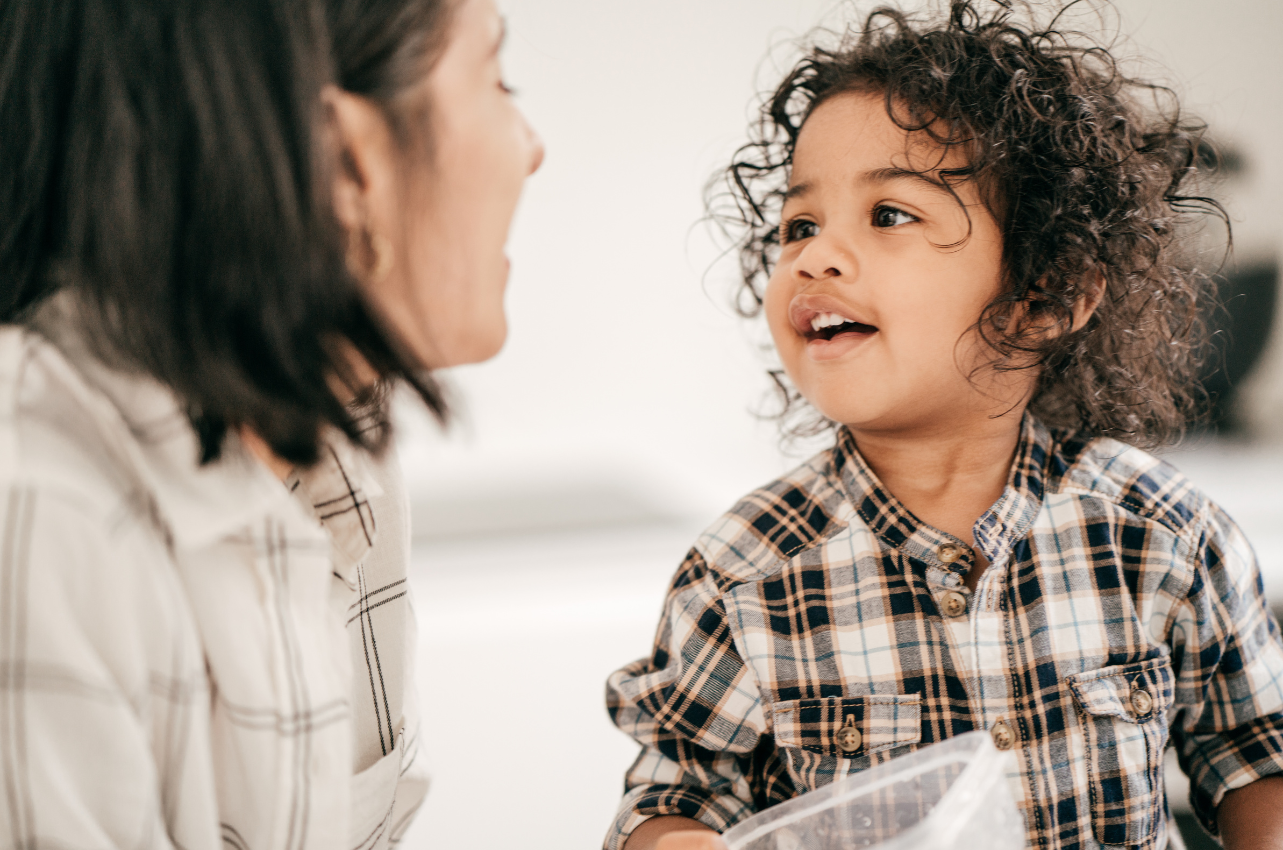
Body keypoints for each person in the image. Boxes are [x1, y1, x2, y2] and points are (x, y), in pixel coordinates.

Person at [603, 3, 1283, 849]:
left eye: (889, 214)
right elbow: (677, 792)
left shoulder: (1161, 534)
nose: (815, 255)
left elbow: (1253, 753)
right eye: (799, 225)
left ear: (1047, 294)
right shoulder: (742, 575)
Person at [0, 0, 541, 846]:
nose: (531, 147)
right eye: (497, 79)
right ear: (345, 164)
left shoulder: (336, 443)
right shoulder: (37, 510)